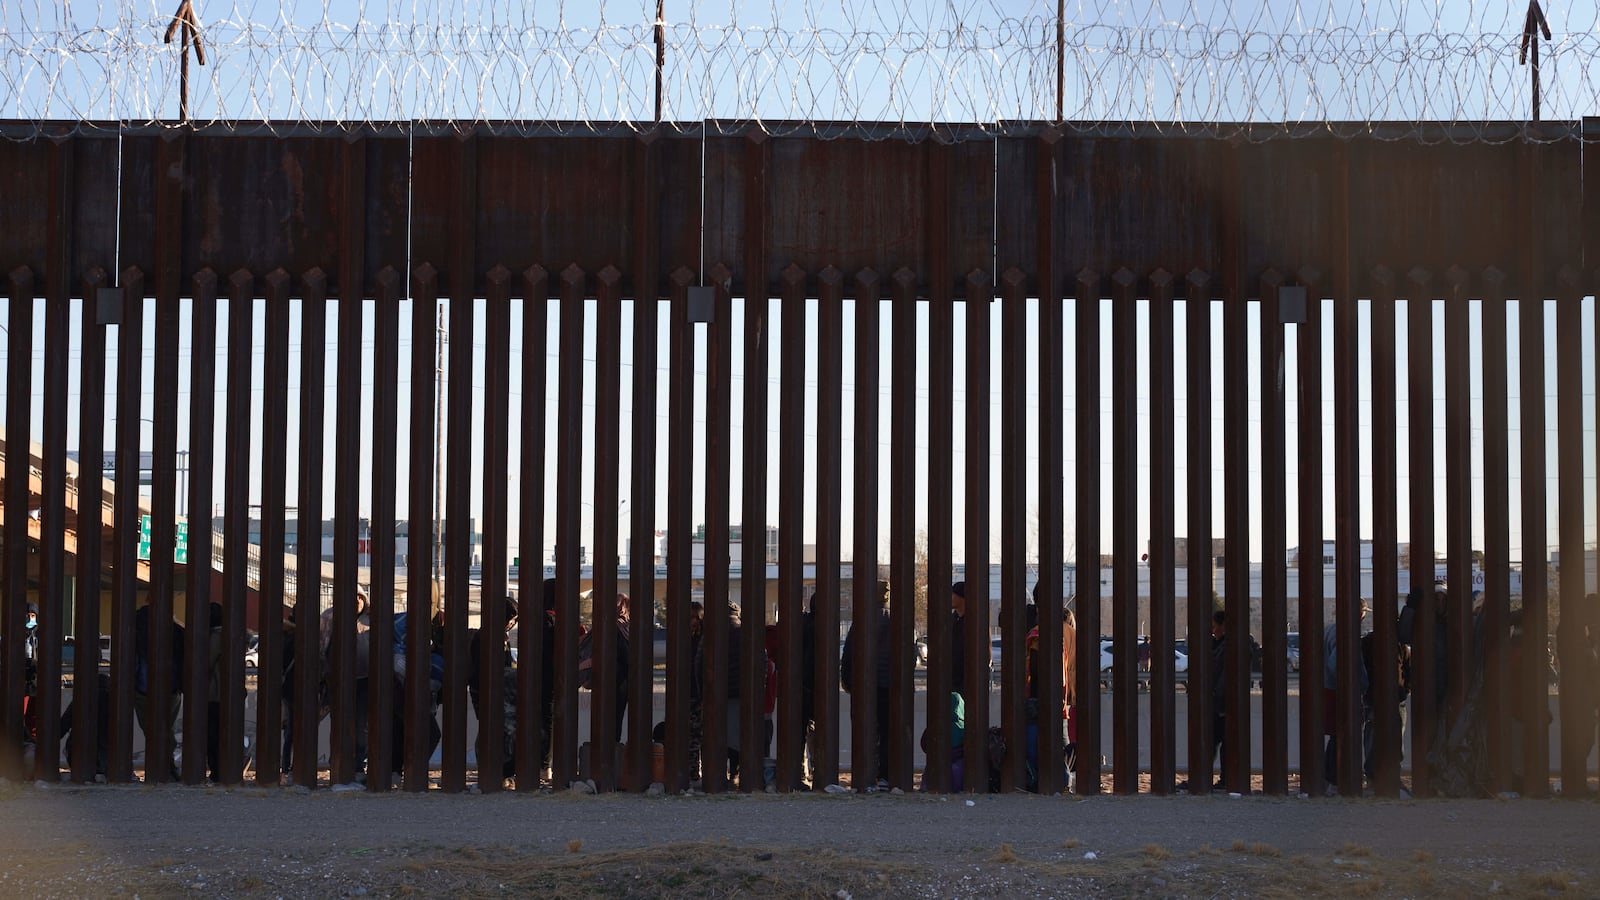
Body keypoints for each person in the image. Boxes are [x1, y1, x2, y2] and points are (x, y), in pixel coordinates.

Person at [1023, 586, 1077, 792]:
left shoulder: (1040, 632)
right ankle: (1065, 783)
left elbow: (1035, 668)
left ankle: (1050, 782)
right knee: (1063, 744)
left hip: (1042, 699)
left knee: (1039, 746)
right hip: (1065, 700)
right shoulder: (1071, 631)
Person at [841, 580, 892, 789]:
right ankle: (886, 776)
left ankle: (864, 776)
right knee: (888, 732)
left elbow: (849, 653)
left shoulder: (862, 620)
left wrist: (848, 681)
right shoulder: (896, 618)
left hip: (864, 686)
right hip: (889, 686)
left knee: (866, 731)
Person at [468, 594, 519, 785]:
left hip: (498, 693)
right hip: (487, 692)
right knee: (494, 731)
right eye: (511, 618)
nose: (512, 624)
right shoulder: (487, 636)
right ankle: (493, 772)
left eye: (514, 620)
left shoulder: (499, 637)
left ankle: (501, 773)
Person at [132, 601, 185, 782]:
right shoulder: (176, 631)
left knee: (150, 730)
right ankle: (167, 767)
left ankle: (158, 768)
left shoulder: (134, 628)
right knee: (165, 728)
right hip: (170, 689)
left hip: (141, 688)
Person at [1323, 599, 1372, 792]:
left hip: (1329, 689)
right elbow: (1336, 666)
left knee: (1336, 737)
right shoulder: (1347, 633)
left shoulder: (1330, 629)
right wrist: (1360, 684)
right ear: (1362, 614)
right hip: (1341, 692)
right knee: (1342, 736)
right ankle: (1334, 779)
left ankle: (1329, 778)